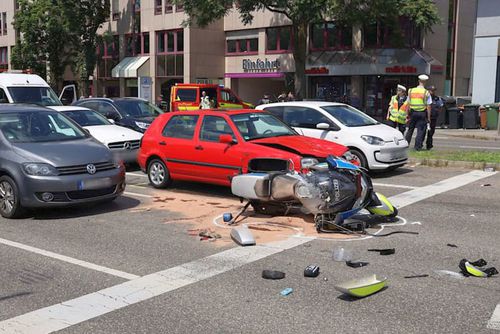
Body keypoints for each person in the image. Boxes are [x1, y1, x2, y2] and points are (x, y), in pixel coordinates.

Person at [405, 74, 432, 151]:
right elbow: (429, 106)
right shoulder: (426, 92)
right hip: (422, 113)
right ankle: (417, 147)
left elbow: (408, 104)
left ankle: (406, 144)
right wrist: (429, 118)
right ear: (425, 82)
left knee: (410, 129)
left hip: (413, 113)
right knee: (420, 130)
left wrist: (407, 114)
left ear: (419, 81)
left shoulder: (411, 91)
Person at [425, 85, 444, 150]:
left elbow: (441, 105)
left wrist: (437, 112)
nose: (432, 92)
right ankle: (419, 145)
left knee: (431, 132)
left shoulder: (437, 98)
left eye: (433, 90)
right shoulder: (425, 97)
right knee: (422, 132)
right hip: (425, 117)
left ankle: (429, 145)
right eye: (431, 90)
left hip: (433, 118)